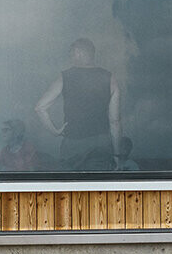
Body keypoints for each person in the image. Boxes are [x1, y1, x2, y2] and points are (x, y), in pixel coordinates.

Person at [34, 38, 121, 171]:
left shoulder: (65, 77)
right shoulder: (109, 78)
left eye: (71, 53)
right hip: (100, 144)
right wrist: (117, 154)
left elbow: (40, 108)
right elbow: (115, 121)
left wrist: (55, 131)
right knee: (98, 188)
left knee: (71, 187)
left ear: (78, 52)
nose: (70, 56)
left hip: (72, 144)